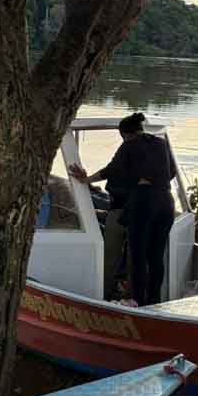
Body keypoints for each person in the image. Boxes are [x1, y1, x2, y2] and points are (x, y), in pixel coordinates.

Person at [69, 113, 177, 306]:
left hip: (145, 202)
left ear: (125, 134)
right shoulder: (161, 144)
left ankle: (135, 302)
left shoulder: (130, 144)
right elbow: (172, 173)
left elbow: (111, 169)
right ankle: (155, 301)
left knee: (138, 255)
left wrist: (85, 180)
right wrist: (149, 179)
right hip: (167, 202)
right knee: (155, 256)